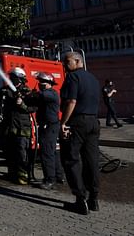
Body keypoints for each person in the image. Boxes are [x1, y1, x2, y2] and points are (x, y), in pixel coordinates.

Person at [60, 51, 101, 215]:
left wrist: (63, 123)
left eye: (67, 61)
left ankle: (80, 200)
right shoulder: (93, 78)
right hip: (93, 122)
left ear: (78, 61)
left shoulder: (73, 77)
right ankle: (94, 199)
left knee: (71, 159)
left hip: (78, 122)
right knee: (92, 159)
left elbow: (71, 101)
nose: (64, 64)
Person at [0, 67, 36, 185]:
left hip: (22, 128)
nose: (11, 79)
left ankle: (23, 177)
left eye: (14, 78)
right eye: (11, 77)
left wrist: (22, 105)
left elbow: (34, 108)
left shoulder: (27, 92)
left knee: (22, 154)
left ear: (20, 79)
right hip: (8, 128)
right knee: (9, 152)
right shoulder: (4, 91)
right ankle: (11, 174)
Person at [33, 72, 65, 190]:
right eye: (39, 82)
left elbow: (37, 97)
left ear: (50, 83)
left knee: (47, 153)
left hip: (49, 126)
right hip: (50, 126)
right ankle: (58, 176)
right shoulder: (46, 94)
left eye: (43, 82)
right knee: (53, 153)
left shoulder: (50, 94)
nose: (40, 84)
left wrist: (28, 94)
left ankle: (49, 180)